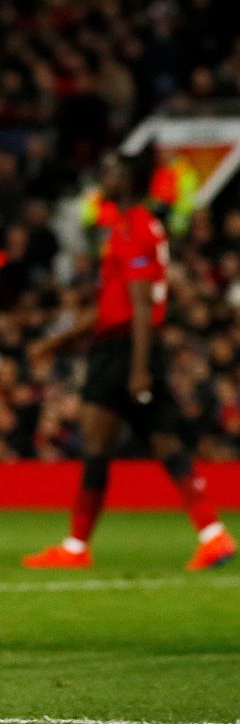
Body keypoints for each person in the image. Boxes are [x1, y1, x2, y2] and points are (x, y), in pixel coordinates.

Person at [24, 149, 235, 571]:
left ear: (130, 181)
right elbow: (112, 305)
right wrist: (58, 343)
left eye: (113, 170)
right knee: (164, 443)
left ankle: (76, 546)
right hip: (131, 345)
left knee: (98, 446)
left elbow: (140, 305)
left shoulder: (133, 227)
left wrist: (137, 368)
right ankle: (213, 534)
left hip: (124, 351)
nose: (105, 175)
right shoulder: (129, 226)